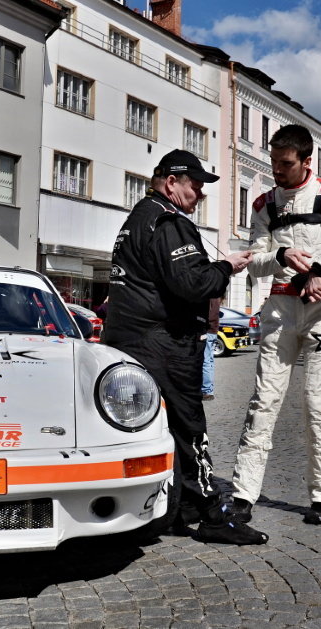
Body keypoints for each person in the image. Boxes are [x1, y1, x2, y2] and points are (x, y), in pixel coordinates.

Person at [102, 149, 267, 545]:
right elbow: (194, 284)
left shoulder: (138, 217)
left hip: (132, 340)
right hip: (165, 343)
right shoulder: (169, 222)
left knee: (163, 428)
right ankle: (212, 514)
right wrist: (226, 267)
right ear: (171, 182)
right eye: (195, 185)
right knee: (189, 428)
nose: (200, 194)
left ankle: (181, 506)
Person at [228, 124, 321, 528]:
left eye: (285, 164)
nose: (277, 170)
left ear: (306, 161)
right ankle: (243, 493)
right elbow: (253, 260)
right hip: (279, 306)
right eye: (273, 162)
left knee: (318, 403)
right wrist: (280, 253)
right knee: (263, 401)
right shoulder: (263, 204)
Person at [201, 298, 220, 401]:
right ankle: (209, 389)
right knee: (209, 361)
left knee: (206, 361)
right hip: (213, 330)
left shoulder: (210, 296)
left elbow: (209, 315)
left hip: (207, 330)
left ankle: (207, 391)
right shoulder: (216, 295)